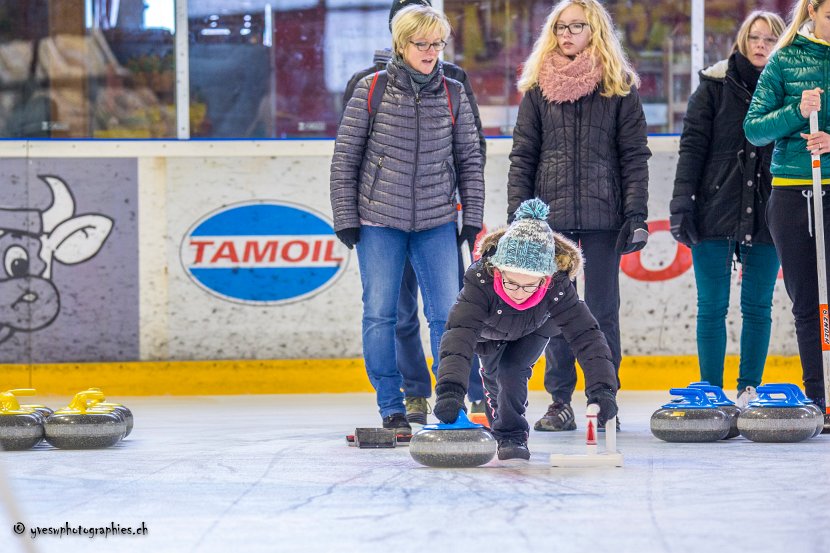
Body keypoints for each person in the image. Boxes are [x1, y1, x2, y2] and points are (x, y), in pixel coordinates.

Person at [330, 4, 485, 435]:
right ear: (402, 44)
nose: (431, 51)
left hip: (436, 221)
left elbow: (470, 160)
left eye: (437, 44)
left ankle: (449, 401)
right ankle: (392, 406)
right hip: (380, 220)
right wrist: (347, 217)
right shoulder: (371, 90)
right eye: (422, 44)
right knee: (381, 314)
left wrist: (470, 219)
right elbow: (346, 160)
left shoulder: (453, 93)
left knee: (448, 316)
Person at [507, 0, 650, 432]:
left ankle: (603, 397)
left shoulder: (618, 86)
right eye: (560, 27)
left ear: (596, 31)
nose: (566, 34)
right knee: (554, 311)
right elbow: (523, 156)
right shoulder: (537, 87)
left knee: (603, 310)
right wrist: (520, 217)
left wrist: (636, 213)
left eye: (576, 26)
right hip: (551, 220)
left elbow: (634, 157)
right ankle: (559, 401)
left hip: (605, 217)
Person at [433, 198, 618, 461]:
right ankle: (500, 418)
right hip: (490, 335)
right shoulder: (480, 281)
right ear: (497, 270)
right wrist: (450, 390)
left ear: (546, 278)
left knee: (511, 372)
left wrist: (603, 389)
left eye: (530, 286)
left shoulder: (558, 287)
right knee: (496, 384)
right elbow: (459, 335)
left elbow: (586, 336)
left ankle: (512, 436)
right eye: (511, 283)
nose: (519, 294)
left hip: (534, 329)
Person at [671, 11, 785, 407]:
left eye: (770, 40)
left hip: (770, 213)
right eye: (754, 37)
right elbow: (692, 149)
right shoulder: (714, 86)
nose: (760, 46)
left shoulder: (788, 90)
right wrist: (681, 204)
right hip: (713, 209)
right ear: (741, 40)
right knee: (711, 305)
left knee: (757, 305)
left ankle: (749, 387)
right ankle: (711, 391)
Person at [744, 0, 830, 423]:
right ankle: (820, 397)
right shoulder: (784, 59)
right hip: (793, 193)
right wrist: (797, 112)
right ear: (812, 10)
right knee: (807, 303)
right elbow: (754, 128)